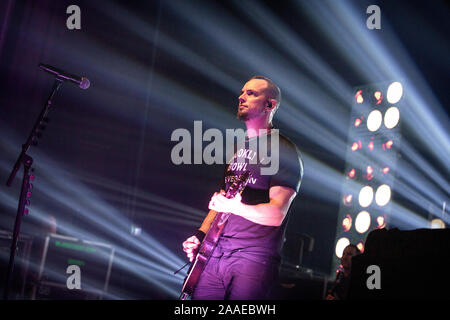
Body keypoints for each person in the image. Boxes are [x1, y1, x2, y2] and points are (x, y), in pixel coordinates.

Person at [182, 76, 304, 300]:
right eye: (242, 92)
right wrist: (200, 236)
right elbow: (221, 201)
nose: (241, 97)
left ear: (270, 105)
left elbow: (277, 213)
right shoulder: (240, 148)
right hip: (216, 253)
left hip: (253, 259)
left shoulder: (283, 150)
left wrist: (235, 207)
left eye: (251, 93)